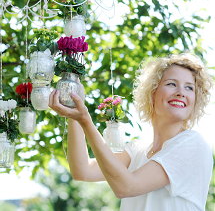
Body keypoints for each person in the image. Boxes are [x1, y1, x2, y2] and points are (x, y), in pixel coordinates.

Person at [49, 53, 214, 211]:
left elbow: (126, 187)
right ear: (152, 92)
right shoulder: (138, 150)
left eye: (189, 88)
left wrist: (86, 120)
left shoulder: (192, 144)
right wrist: (74, 111)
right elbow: (83, 170)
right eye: (171, 84)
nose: (181, 92)